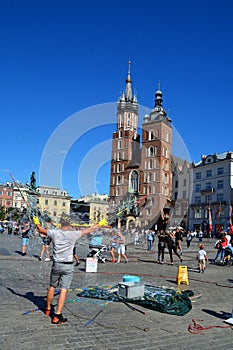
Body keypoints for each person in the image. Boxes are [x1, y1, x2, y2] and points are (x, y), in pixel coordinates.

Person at [33, 214, 107, 324]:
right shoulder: (74, 234)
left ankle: (48, 309)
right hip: (67, 265)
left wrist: (36, 221)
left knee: (52, 286)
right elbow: (90, 229)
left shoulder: (54, 232)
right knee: (63, 289)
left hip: (56, 264)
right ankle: (57, 315)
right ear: (69, 223)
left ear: (61, 222)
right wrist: (100, 224)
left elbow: (40, 230)